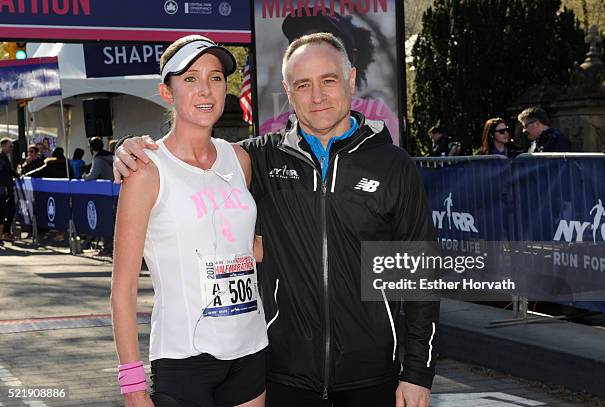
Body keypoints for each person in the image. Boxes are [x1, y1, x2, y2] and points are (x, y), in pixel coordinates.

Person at [114, 32, 439, 407]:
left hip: (371, 375)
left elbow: (420, 276)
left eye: (328, 81)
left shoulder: (393, 165)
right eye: (303, 85)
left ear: (350, 79)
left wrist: (418, 372)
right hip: (282, 375)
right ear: (288, 91)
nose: (317, 96)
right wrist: (128, 148)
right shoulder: (261, 159)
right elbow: (187, 163)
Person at [111, 35, 267, 407]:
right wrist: (132, 385)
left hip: (251, 348)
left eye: (215, 78)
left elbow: (246, 247)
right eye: (190, 78)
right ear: (167, 91)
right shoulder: (146, 169)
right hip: (184, 358)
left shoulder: (239, 159)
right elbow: (122, 288)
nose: (206, 90)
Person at [259, 8, 400, 145]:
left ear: (351, 59)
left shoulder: (379, 117)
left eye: (328, 43)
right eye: (303, 45)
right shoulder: (271, 132)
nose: (315, 55)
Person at [0, 138, 18, 244]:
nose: (11, 149)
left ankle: (2, 235)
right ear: (3, 145)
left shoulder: (5, 158)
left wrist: (18, 175)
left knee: (4, 213)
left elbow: (10, 171)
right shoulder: (1, 158)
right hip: (3, 190)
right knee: (3, 213)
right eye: (9, 146)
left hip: (5, 191)